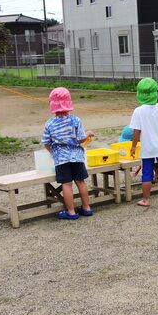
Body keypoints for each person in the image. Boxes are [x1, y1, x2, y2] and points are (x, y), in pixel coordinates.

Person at [41, 87, 95, 220]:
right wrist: (88, 133)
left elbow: (46, 142)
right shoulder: (76, 120)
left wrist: (53, 152)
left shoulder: (50, 123)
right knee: (80, 181)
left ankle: (71, 212)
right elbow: (81, 138)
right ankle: (86, 208)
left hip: (61, 158)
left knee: (66, 184)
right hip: (77, 156)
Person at [129, 77, 158, 207]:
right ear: (156, 92)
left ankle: (146, 200)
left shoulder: (138, 111)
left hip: (147, 149)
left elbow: (136, 132)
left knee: (147, 174)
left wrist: (133, 146)